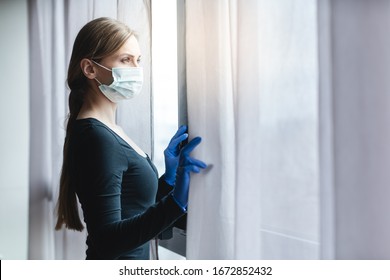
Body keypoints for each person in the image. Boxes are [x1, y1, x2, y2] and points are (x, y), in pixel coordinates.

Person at [55, 17, 207, 260]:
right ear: (90, 69)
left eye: (138, 61)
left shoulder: (109, 129)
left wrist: (168, 180)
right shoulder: (96, 137)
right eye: (126, 60)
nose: (136, 70)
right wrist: (176, 202)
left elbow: (133, 210)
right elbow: (107, 240)